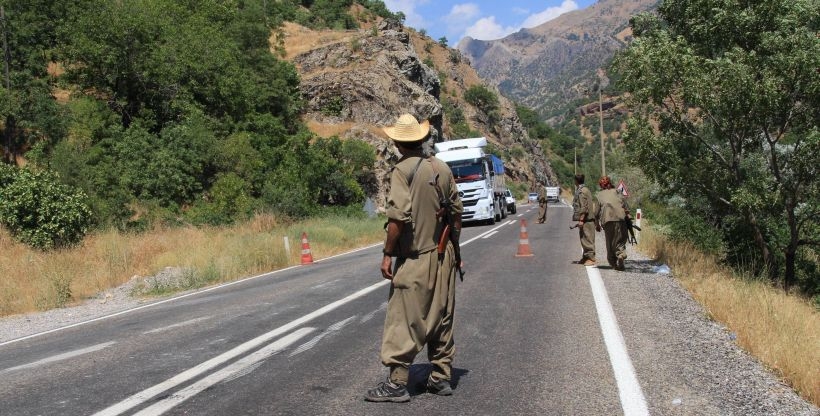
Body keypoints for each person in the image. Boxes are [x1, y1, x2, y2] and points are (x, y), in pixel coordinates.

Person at [365, 113, 463, 403]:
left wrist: (386, 254)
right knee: (442, 314)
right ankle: (441, 377)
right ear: (421, 138)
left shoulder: (402, 171)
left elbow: (397, 218)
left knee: (404, 317)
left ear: (397, 142)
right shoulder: (442, 168)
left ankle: (396, 383)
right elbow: (456, 214)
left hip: (415, 257)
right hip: (444, 254)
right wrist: (456, 252)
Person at [595, 176, 631, 271]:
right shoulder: (618, 192)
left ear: (601, 185)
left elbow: (596, 213)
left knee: (610, 242)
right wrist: (628, 216)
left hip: (607, 220)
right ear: (610, 183)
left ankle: (613, 263)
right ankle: (621, 255)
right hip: (620, 219)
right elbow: (625, 207)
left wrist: (597, 224)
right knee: (621, 239)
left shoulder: (599, 195)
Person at [571, 174, 596, 265]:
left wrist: (581, 220)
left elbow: (584, 206)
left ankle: (591, 258)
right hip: (586, 219)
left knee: (588, 239)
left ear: (576, 181)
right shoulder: (584, 189)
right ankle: (585, 257)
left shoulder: (582, 191)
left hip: (587, 220)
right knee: (584, 239)